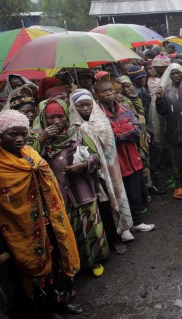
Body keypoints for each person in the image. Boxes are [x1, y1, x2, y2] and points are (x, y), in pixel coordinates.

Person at [0, 110, 81, 318]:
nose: (19, 139)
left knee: (57, 260)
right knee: (34, 269)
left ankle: (61, 301)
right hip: (22, 225)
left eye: (23, 133)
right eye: (12, 134)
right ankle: (44, 309)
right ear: (0, 135)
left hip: (49, 219)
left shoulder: (31, 153)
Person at [32, 98, 109, 277]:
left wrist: (83, 165)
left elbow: (96, 157)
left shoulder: (78, 132)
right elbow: (29, 162)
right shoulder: (36, 137)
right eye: (51, 118)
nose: (56, 121)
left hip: (81, 189)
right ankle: (73, 264)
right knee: (67, 231)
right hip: (57, 194)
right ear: (43, 118)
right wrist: (42, 139)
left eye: (60, 116)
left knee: (89, 227)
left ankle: (94, 260)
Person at [68, 89, 133, 252]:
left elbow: (109, 145)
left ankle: (117, 236)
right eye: (80, 106)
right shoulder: (72, 127)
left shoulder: (101, 121)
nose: (85, 108)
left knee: (112, 202)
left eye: (88, 104)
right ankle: (105, 241)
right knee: (99, 208)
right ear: (74, 107)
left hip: (109, 170)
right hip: (89, 174)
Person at [94, 74, 155, 232]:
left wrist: (118, 131)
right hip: (114, 160)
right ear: (97, 95)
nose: (109, 94)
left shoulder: (124, 108)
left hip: (131, 156)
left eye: (110, 90)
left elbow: (136, 129)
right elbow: (106, 137)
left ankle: (136, 221)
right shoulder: (96, 114)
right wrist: (122, 130)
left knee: (134, 191)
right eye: (104, 91)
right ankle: (123, 226)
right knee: (119, 193)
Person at [157, 63, 182, 199]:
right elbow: (162, 112)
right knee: (177, 158)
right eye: (172, 74)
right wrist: (159, 100)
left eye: (178, 73)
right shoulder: (166, 90)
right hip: (173, 128)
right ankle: (179, 184)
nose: (176, 75)